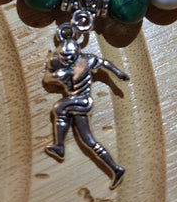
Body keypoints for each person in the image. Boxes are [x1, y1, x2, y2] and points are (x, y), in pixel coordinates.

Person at [43, 38, 128, 189]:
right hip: (74, 101)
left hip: (82, 101)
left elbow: (104, 63)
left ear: (76, 53)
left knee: (59, 107)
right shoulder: (61, 66)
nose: (66, 59)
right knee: (88, 141)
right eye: (63, 56)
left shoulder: (86, 61)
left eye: (69, 56)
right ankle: (116, 169)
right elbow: (47, 79)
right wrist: (53, 71)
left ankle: (59, 146)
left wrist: (119, 73)